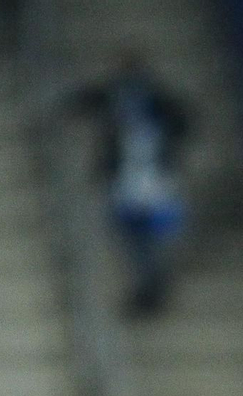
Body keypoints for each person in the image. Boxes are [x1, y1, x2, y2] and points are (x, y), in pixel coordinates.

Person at [71, 54, 192, 314]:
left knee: (152, 239)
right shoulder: (117, 100)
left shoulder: (158, 104)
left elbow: (183, 121)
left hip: (156, 184)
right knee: (131, 239)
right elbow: (89, 100)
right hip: (127, 186)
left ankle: (153, 286)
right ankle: (147, 286)